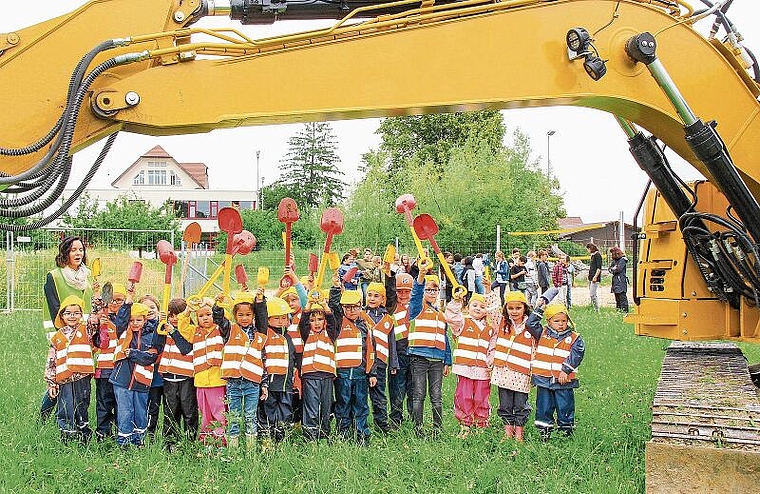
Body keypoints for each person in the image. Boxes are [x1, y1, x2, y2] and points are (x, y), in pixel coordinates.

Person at [41, 236, 94, 421]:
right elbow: (54, 306)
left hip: (82, 335)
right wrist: (65, 333)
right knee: (60, 375)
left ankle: (73, 418)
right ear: (65, 253)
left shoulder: (87, 276)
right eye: (73, 250)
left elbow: (89, 306)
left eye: (81, 249)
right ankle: (45, 413)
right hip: (62, 333)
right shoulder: (54, 276)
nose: (78, 253)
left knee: (75, 376)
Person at [526, 290, 585, 440]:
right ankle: (544, 433)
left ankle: (566, 432)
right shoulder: (542, 333)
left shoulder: (574, 337)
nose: (561, 324)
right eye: (556, 321)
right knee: (544, 407)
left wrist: (566, 370)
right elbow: (530, 323)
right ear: (549, 321)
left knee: (565, 406)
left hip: (563, 380)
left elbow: (577, 354)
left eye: (563, 321)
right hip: (544, 380)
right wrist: (540, 307)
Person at [216, 290, 269, 449]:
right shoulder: (229, 330)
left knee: (250, 416)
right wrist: (217, 305)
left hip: (252, 383)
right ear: (234, 315)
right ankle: (233, 450)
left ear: (253, 315)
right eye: (240, 315)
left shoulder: (259, 333)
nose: (244, 318)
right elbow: (219, 318)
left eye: (248, 314)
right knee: (234, 416)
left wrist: (260, 301)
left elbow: (262, 360)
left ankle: (250, 450)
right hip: (233, 382)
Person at [110, 282, 161, 447]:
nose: (135, 323)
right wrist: (129, 298)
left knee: (140, 413)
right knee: (125, 413)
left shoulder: (153, 335)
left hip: (142, 382)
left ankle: (139, 441)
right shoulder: (124, 332)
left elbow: (149, 357)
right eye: (132, 320)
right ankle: (124, 442)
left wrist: (132, 354)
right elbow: (121, 318)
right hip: (122, 380)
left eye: (139, 320)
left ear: (145, 319)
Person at [408, 261, 452, 437]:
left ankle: (437, 429)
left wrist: (447, 360)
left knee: (437, 396)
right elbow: (415, 294)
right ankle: (418, 429)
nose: (432, 293)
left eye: (435, 290)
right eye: (428, 289)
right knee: (419, 395)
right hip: (419, 357)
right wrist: (420, 276)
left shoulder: (441, 315)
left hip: (437, 360)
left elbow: (444, 337)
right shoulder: (417, 308)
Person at [329, 286, 377, 446]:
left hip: (361, 374)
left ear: (360, 306)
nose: (351, 311)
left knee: (361, 405)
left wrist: (372, 373)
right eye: (347, 308)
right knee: (343, 405)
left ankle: (362, 435)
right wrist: (336, 287)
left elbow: (371, 350)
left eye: (355, 307)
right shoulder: (337, 323)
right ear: (342, 308)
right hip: (342, 375)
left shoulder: (365, 326)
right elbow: (333, 305)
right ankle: (342, 434)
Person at [44, 295, 94, 443]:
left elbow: (95, 317)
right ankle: (67, 437)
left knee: (81, 407)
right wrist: (52, 383)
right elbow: (51, 362)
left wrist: (96, 295)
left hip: (82, 378)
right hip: (63, 379)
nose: (72, 316)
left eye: (76, 312)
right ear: (62, 315)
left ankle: (83, 436)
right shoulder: (57, 337)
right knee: (65, 408)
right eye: (68, 313)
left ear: (81, 314)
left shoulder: (87, 330)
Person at [445, 292, 495, 438]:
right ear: (467, 307)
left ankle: (481, 423)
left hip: (482, 370)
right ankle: (465, 424)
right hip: (464, 368)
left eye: (482, 306)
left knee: (481, 397)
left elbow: (492, 348)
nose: (478, 308)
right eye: (475, 305)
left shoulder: (490, 328)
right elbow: (451, 316)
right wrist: (456, 300)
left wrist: (490, 361)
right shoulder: (463, 322)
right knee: (464, 396)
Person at [490, 291, 534, 442]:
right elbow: (492, 309)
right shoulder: (502, 323)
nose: (514, 312)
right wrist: (489, 290)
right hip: (503, 371)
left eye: (518, 308)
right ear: (506, 309)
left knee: (521, 404)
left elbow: (535, 350)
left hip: (522, 372)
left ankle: (519, 433)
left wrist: (533, 371)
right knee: (505, 404)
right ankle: (508, 431)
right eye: (511, 308)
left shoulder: (531, 326)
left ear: (525, 309)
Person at [158, 298, 198, 448]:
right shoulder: (164, 330)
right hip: (169, 378)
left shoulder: (189, 330)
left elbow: (186, 348)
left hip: (186, 377)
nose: (174, 319)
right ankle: (170, 445)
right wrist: (160, 322)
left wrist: (174, 332)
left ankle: (190, 444)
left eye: (178, 315)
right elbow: (155, 342)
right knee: (170, 413)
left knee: (189, 412)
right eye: (171, 315)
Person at [298, 295, 339, 442]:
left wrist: (324, 305)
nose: (316, 323)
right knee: (311, 407)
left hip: (327, 376)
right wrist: (308, 305)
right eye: (312, 320)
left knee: (326, 406)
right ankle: (310, 436)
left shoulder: (330, 334)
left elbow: (333, 322)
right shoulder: (306, 334)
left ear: (325, 322)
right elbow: (302, 322)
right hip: (310, 376)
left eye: (320, 319)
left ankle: (324, 434)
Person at [363, 279, 398, 434]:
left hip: (381, 363)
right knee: (361, 395)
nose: (372, 298)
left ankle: (381, 425)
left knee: (379, 395)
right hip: (363, 363)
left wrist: (393, 364)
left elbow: (392, 343)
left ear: (383, 299)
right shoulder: (361, 316)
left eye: (376, 296)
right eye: (369, 295)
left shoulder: (388, 320)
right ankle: (360, 423)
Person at [191, 298, 227, 445]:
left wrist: (213, 304)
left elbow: (227, 317)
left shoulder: (221, 329)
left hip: (217, 379)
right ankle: (206, 439)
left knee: (219, 412)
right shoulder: (195, 332)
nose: (205, 318)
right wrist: (189, 309)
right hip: (200, 380)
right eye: (201, 315)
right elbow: (182, 325)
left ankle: (220, 439)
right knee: (204, 413)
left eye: (208, 314)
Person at [91, 282, 124, 441]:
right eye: (112, 299)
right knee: (104, 404)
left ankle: (120, 432)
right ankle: (103, 434)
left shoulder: (127, 321)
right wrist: (100, 326)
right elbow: (98, 343)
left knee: (120, 404)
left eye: (119, 300)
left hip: (121, 370)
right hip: (104, 370)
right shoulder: (101, 319)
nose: (115, 303)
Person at [261, 297, 297, 444]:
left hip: (286, 383)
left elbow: (292, 357)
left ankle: (281, 438)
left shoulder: (288, 336)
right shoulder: (264, 333)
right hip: (270, 382)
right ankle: (266, 438)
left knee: (285, 409)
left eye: (284, 318)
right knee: (268, 409)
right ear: (268, 319)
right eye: (276, 318)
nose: (281, 321)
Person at [388, 273, 414, 429]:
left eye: (407, 291)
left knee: (414, 388)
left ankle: (413, 417)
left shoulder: (417, 305)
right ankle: (396, 419)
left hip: (415, 352)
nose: (403, 295)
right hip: (398, 352)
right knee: (397, 387)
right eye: (400, 291)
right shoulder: (391, 307)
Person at [140, 294, 166, 439]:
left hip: (164, 375)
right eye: (145, 307)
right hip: (149, 377)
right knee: (152, 407)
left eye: (152, 307)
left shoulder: (163, 326)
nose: (149, 310)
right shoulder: (138, 327)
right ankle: (149, 434)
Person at [609, 246, 629, 312]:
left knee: (622, 297)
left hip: (621, 281)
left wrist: (614, 269)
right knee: (617, 297)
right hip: (615, 281)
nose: (611, 255)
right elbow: (610, 269)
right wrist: (613, 269)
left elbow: (618, 269)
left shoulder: (623, 260)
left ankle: (625, 311)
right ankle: (618, 310)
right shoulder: (614, 261)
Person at [586, 243, 602, 311]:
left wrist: (595, 277)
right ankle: (594, 308)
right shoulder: (592, 256)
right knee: (592, 294)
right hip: (591, 277)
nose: (587, 251)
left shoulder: (597, 255)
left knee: (592, 294)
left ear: (590, 248)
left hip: (594, 278)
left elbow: (599, 268)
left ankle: (597, 309)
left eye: (587, 249)